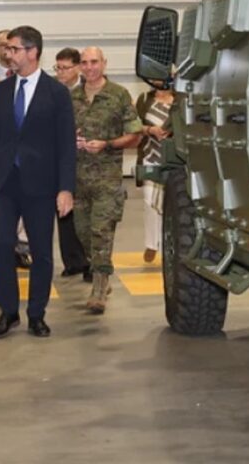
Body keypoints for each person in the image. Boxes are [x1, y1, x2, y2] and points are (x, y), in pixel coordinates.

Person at [0, 25, 75, 339]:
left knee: (42, 252)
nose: (8, 54)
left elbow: (66, 145)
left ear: (32, 52)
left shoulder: (56, 92)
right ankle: (8, 311)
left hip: (41, 186)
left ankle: (36, 314)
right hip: (5, 183)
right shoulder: (3, 91)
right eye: (7, 49)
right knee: (2, 245)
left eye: (14, 49)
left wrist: (65, 188)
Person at [71, 46, 141, 314]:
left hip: (107, 179)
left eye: (94, 62)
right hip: (78, 179)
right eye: (84, 63)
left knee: (101, 232)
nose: (89, 67)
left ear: (104, 63)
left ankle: (99, 286)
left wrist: (108, 144)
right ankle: (99, 269)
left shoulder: (118, 95)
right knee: (83, 232)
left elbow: (134, 134)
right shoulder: (72, 97)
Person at [52, 47, 89, 279]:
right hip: (58, 158)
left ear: (77, 68)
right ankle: (71, 261)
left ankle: (88, 262)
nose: (61, 73)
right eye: (58, 68)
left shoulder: (88, 91)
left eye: (65, 68)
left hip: (86, 160)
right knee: (63, 211)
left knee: (85, 214)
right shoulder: (54, 91)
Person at [135, 87, 174, 263]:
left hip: (175, 158)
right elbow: (133, 125)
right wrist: (150, 130)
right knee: (149, 201)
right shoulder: (144, 98)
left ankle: (170, 244)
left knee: (172, 204)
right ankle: (152, 243)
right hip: (151, 156)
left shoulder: (182, 98)